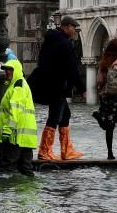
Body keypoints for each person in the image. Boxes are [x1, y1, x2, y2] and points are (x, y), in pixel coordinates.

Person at [29, 16, 84, 160]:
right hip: (57, 86)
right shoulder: (64, 43)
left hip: (50, 83)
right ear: (66, 26)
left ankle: (66, 150)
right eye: (74, 27)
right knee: (54, 117)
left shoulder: (51, 40)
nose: (75, 30)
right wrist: (82, 88)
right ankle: (44, 151)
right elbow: (71, 68)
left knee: (65, 115)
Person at [0, 49, 37, 177]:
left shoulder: (18, 86)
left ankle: (8, 192)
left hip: (16, 135)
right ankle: (27, 191)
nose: (7, 72)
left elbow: (15, 110)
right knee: (25, 168)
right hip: (25, 136)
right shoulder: (19, 84)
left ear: (16, 71)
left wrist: (8, 129)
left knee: (9, 167)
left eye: (10, 69)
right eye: (6, 69)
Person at [93, 38, 117, 160]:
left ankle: (110, 153)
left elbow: (100, 80)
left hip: (108, 98)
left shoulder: (104, 63)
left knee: (110, 125)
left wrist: (99, 87)